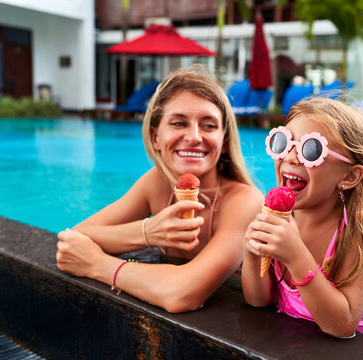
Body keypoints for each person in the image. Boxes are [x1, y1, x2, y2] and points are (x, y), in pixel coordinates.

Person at [56, 65, 263, 313]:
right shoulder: (156, 183)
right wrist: (148, 232)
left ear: (225, 141)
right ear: (155, 137)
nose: (194, 136)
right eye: (178, 123)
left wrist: (97, 265)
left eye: (208, 126)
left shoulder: (244, 201)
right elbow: (75, 238)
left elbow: (182, 294)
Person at [241, 97, 363, 351]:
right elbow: (258, 301)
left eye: (311, 150)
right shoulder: (282, 217)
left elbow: (342, 327)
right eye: (284, 143)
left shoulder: (355, 229)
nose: (292, 158)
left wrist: (296, 257)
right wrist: (251, 252)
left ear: (349, 176)